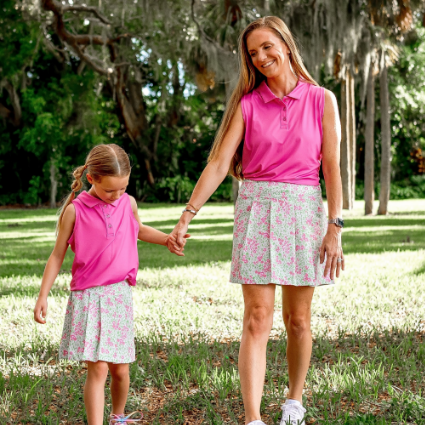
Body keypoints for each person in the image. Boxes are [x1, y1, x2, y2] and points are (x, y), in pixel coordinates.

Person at [170, 16, 344, 425]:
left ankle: (294, 401)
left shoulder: (322, 99)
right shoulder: (248, 104)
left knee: (298, 319)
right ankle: (252, 418)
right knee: (256, 317)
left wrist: (334, 226)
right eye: (253, 53)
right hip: (256, 208)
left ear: (285, 44)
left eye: (267, 47)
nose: (262, 57)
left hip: (304, 210)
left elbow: (333, 169)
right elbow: (217, 164)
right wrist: (186, 215)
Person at [33, 144, 188, 425]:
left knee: (121, 370)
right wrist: (43, 295)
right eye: (110, 191)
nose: (116, 195)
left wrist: (166, 238)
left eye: (122, 188)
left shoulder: (127, 203)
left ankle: (118, 417)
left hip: (118, 295)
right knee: (99, 369)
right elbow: (57, 255)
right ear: (92, 179)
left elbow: (138, 229)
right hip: (89, 297)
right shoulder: (75, 211)